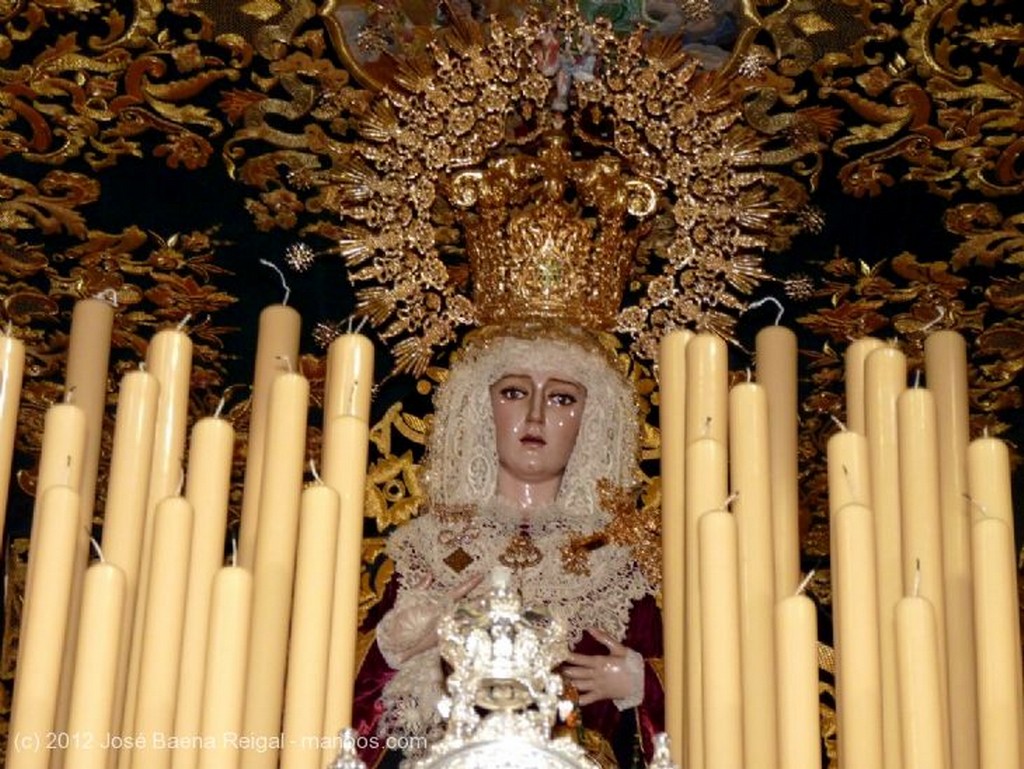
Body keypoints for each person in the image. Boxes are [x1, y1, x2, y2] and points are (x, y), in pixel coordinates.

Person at [352, 327, 664, 768]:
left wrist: (640, 683)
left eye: (562, 398)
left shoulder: (616, 565)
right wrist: (391, 650)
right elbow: (334, 706)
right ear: (484, 407)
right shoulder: (429, 550)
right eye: (515, 392)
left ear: (590, 421)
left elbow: (709, 718)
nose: (535, 416)